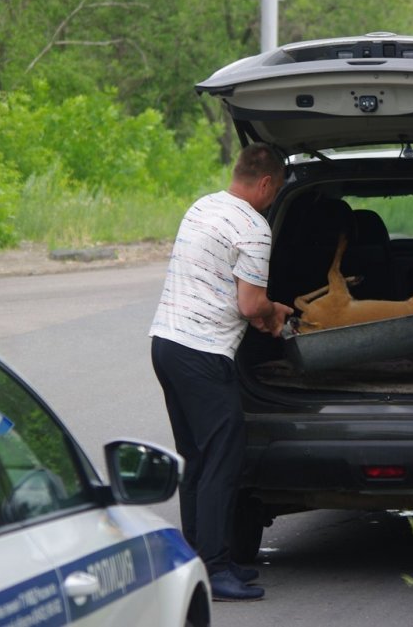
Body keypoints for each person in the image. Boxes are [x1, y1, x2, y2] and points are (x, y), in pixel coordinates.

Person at [149, 143, 294, 602]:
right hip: (203, 353)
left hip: (166, 345)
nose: (272, 202)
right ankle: (214, 569)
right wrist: (278, 313)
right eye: (275, 193)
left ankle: (200, 561)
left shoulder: (202, 206)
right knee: (222, 459)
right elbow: (250, 305)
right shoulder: (253, 226)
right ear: (267, 183)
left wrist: (265, 313)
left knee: (195, 457)